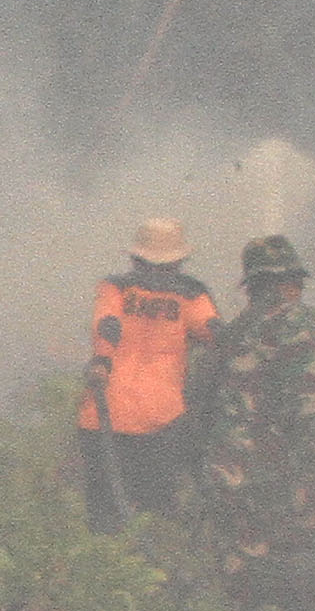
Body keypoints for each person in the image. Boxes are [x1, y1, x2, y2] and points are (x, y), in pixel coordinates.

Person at [196, 233, 315, 611]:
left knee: (244, 572)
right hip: (280, 474)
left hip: (226, 472)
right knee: (314, 561)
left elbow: (199, 402)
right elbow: (310, 401)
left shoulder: (231, 334)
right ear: (287, 283)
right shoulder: (295, 322)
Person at [74, 215, 220, 530]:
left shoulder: (115, 287)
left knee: (105, 515)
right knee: (157, 513)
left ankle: (106, 558)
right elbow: (214, 334)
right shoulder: (191, 294)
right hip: (160, 420)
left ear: (135, 257)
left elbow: (108, 325)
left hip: (104, 416)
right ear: (179, 260)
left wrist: (102, 362)